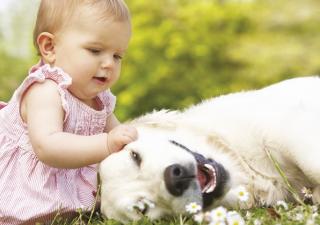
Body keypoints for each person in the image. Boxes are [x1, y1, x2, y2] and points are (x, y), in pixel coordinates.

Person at [0, 0, 138, 224]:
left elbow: (121, 136)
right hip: (21, 192)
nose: (109, 64)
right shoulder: (45, 90)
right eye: (95, 50)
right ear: (50, 48)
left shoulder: (99, 100)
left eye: (117, 56)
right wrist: (106, 144)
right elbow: (48, 146)